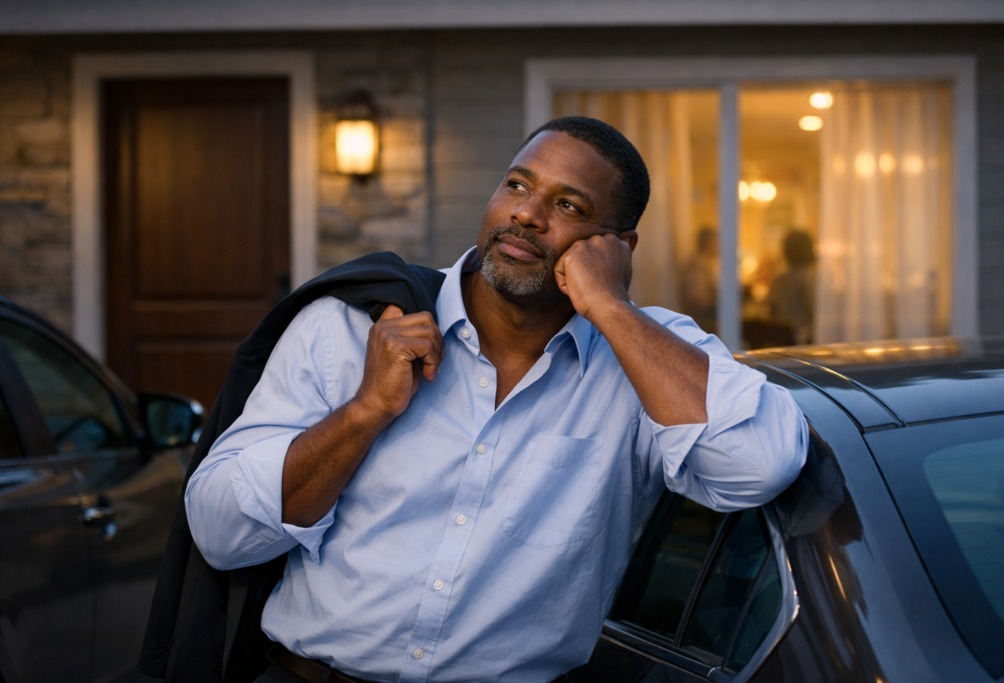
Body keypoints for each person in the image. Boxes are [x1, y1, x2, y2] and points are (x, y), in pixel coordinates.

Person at [185, 116, 808, 683]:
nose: (527, 215)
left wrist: (610, 308)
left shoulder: (647, 359)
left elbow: (759, 463)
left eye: (567, 204)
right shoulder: (347, 329)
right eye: (517, 186)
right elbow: (220, 530)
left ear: (617, 245)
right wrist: (364, 412)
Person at [770, 229, 816, 345]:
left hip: (782, 338)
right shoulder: (806, 277)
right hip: (802, 340)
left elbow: (773, 308)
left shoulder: (780, 278)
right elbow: (813, 310)